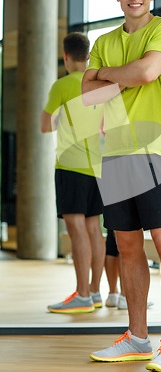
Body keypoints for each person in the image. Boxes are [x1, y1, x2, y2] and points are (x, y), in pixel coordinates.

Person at [82, 0, 161, 372]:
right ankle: (138, 337)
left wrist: (106, 76)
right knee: (126, 247)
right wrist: (121, 77)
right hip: (115, 155)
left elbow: (148, 71)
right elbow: (87, 97)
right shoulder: (104, 39)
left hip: (156, 151)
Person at [41, 32, 105, 313]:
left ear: (66, 56)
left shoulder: (62, 85)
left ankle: (81, 294)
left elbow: (45, 125)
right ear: (88, 56)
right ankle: (94, 291)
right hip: (97, 168)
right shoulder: (97, 85)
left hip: (70, 165)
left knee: (77, 229)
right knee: (94, 229)